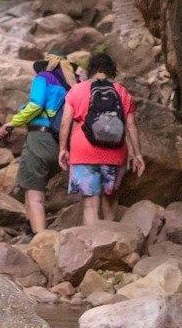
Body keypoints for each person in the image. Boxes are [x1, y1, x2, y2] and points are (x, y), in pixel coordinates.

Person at [59, 52, 144, 224]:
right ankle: (110, 242)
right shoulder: (121, 91)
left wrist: (62, 149)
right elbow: (131, 126)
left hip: (83, 153)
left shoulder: (77, 90)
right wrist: (138, 154)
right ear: (111, 70)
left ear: (91, 69)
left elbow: (65, 122)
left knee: (90, 203)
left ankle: (92, 245)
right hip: (114, 153)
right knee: (110, 200)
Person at [1, 57, 74, 235]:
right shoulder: (70, 85)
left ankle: (41, 238)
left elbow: (35, 105)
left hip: (39, 138)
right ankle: (31, 228)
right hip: (60, 142)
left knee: (34, 194)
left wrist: (11, 123)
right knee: (36, 191)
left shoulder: (43, 77)